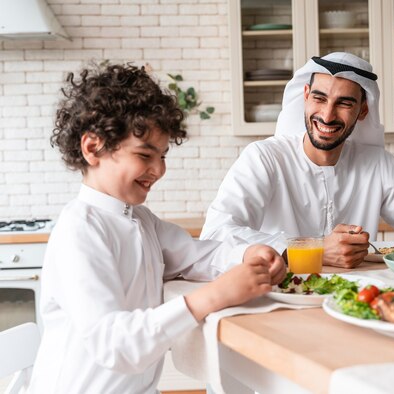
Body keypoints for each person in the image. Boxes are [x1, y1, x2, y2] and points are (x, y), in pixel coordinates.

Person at [27, 63, 286, 393]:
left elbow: (197, 256)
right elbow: (114, 345)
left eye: (162, 155)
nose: (158, 169)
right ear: (92, 148)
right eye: (145, 154)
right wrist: (213, 296)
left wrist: (248, 252)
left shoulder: (140, 219)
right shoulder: (80, 230)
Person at [201, 52, 394, 269]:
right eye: (319, 98)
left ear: (363, 111)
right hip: (278, 296)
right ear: (305, 97)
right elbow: (217, 234)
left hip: (355, 300)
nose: (327, 115)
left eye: (344, 102)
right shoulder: (264, 158)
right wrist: (312, 250)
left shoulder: (376, 163)